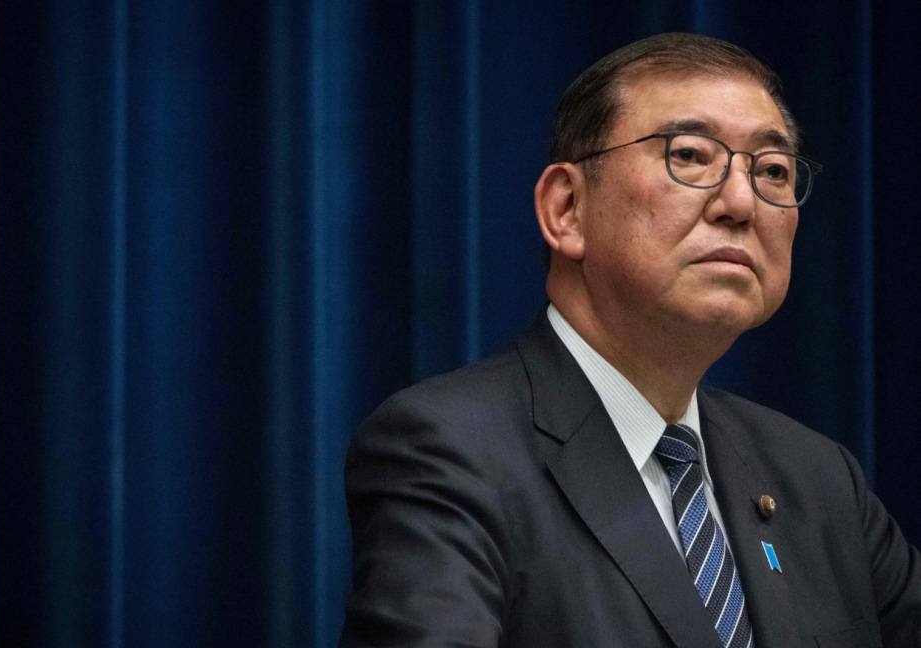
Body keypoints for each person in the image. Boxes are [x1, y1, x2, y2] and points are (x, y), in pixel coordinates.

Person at [339, 33, 921, 648]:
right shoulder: (450, 452)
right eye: (690, 156)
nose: (741, 202)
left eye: (772, 170)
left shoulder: (818, 477)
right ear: (567, 209)